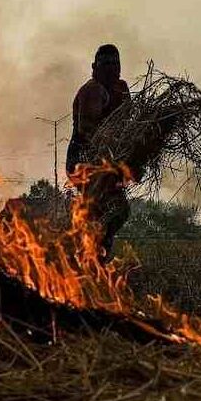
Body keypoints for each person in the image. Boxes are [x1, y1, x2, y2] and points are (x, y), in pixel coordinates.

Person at [66, 44, 131, 263]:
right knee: (102, 210)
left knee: (117, 210)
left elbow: (128, 123)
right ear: (94, 67)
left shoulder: (121, 89)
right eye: (106, 64)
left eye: (115, 64)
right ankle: (86, 257)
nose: (112, 69)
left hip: (109, 161)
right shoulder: (92, 90)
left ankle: (96, 256)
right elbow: (87, 130)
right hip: (84, 161)